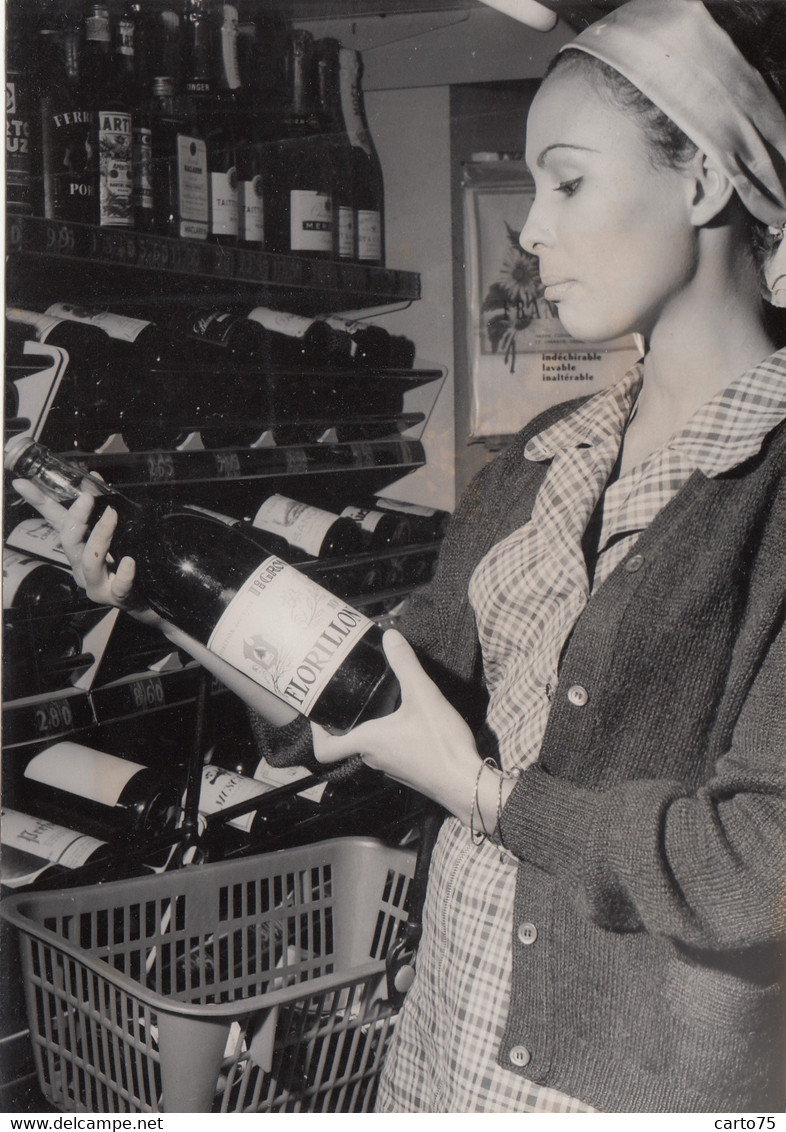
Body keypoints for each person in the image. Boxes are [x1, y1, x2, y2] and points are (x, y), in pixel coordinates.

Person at [12, 0, 786, 1113]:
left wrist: (473, 788)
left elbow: (756, 866)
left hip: (622, 1091)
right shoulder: (544, 456)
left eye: (567, 181)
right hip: (443, 1038)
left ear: (706, 183)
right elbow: (362, 705)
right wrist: (165, 604)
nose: (531, 231)